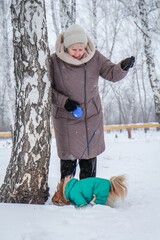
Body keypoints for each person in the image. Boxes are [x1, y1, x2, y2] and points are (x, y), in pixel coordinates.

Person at [50, 24, 135, 180]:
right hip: (66, 117)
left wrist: (122, 67)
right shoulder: (54, 61)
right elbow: (46, 90)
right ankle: (66, 194)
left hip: (91, 115)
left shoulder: (94, 57)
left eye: (81, 49)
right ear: (66, 47)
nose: (78, 53)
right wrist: (65, 102)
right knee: (68, 160)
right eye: (74, 50)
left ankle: (87, 194)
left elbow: (111, 73)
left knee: (89, 157)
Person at [51, 175, 127, 207]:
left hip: (102, 190)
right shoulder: (71, 186)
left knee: (95, 205)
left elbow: (82, 204)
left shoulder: (72, 192)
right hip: (102, 185)